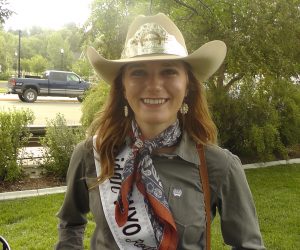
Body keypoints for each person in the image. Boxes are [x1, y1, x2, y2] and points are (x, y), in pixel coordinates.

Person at [55, 13, 265, 250]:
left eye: (169, 71)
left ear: (187, 86)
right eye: (138, 72)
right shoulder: (91, 154)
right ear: (123, 88)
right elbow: (70, 223)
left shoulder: (219, 165)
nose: (154, 85)